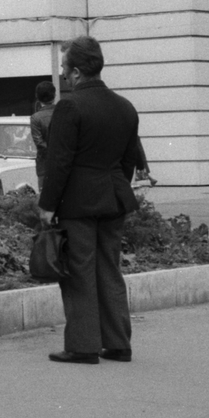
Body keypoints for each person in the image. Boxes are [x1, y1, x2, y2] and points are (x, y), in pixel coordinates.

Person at [38, 36, 149, 364]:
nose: (62, 74)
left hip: (77, 203)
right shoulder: (125, 106)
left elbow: (59, 163)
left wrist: (47, 206)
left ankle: (82, 346)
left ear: (75, 73)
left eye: (63, 68)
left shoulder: (70, 106)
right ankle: (118, 344)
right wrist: (112, 187)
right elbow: (128, 161)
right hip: (113, 199)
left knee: (79, 271)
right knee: (110, 268)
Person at [28, 79, 57, 190]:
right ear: (54, 95)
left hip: (44, 165)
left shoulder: (36, 118)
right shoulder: (63, 112)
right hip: (65, 163)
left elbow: (39, 143)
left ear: (37, 96)